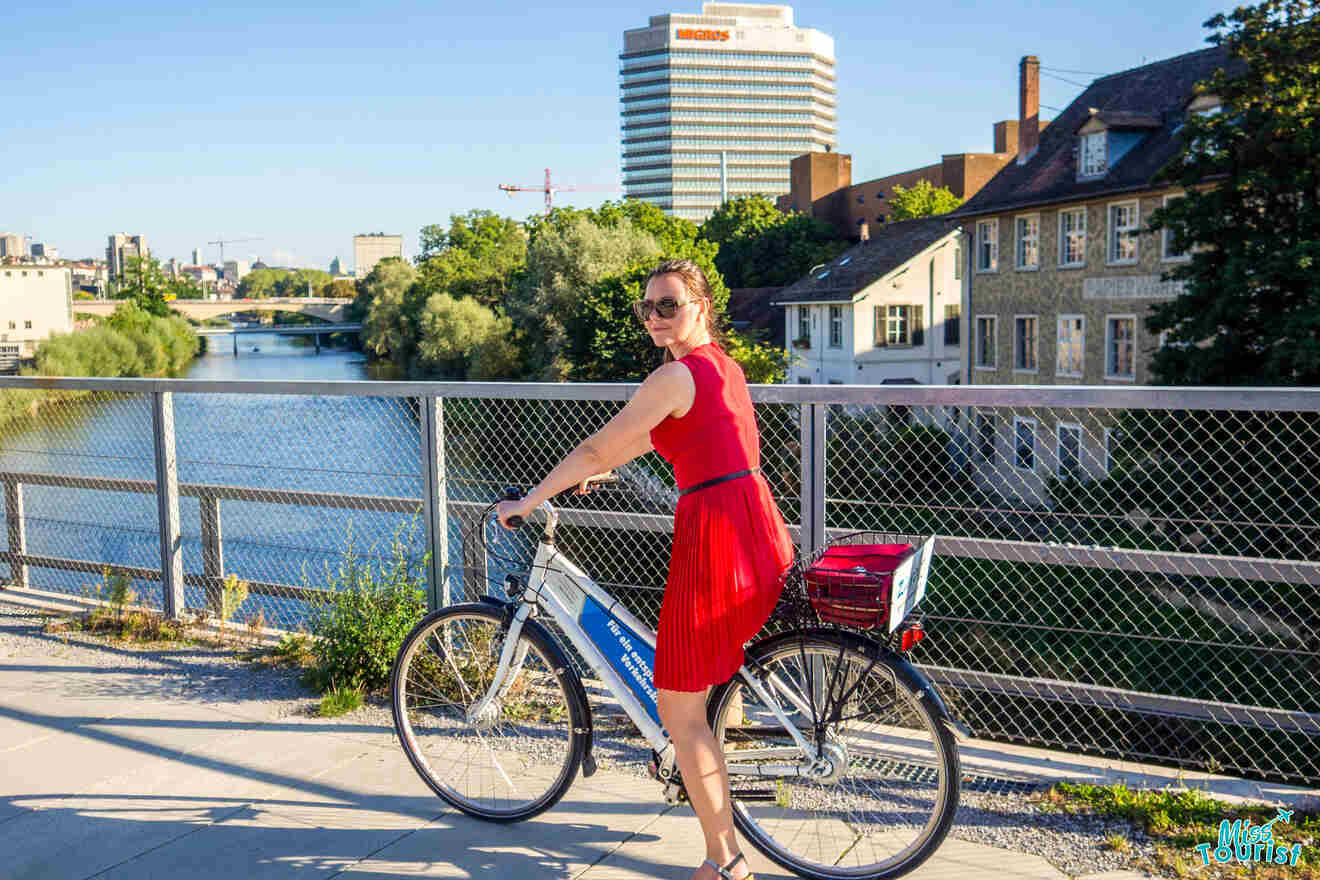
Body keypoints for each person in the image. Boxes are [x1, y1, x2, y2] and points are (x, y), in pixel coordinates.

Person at [497, 258, 793, 880]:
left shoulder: (673, 377)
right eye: (648, 308)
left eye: (669, 305)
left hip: (713, 539)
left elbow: (597, 445)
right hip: (756, 527)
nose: (655, 318)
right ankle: (714, 777)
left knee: (678, 712)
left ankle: (726, 860)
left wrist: (530, 500)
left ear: (701, 307)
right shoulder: (723, 369)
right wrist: (605, 471)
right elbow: (669, 438)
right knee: (703, 693)